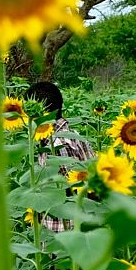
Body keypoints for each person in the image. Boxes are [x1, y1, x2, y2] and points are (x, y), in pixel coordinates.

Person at [25, 81, 93, 232]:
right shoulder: (74, 135)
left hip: (64, 231)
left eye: (28, 112)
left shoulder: (56, 145)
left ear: (39, 112)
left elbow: (68, 190)